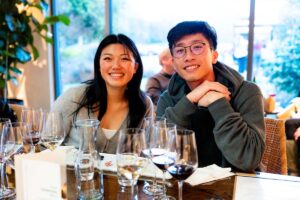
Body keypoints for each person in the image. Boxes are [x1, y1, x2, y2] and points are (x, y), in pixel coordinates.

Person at [156, 21, 265, 172]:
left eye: (197, 47)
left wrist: (218, 103)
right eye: (180, 50)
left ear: (214, 56)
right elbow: (160, 152)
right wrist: (189, 101)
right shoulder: (168, 99)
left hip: (238, 186)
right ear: (173, 62)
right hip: (184, 186)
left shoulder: (247, 92)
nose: (188, 56)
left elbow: (248, 160)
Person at [52, 34, 154, 153]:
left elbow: (148, 154)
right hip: (70, 171)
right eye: (108, 59)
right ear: (99, 65)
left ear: (135, 67)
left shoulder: (144, 104)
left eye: (124, 59)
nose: (116, 66)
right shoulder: (74, 96)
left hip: (123, 172)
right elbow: (47, 145)